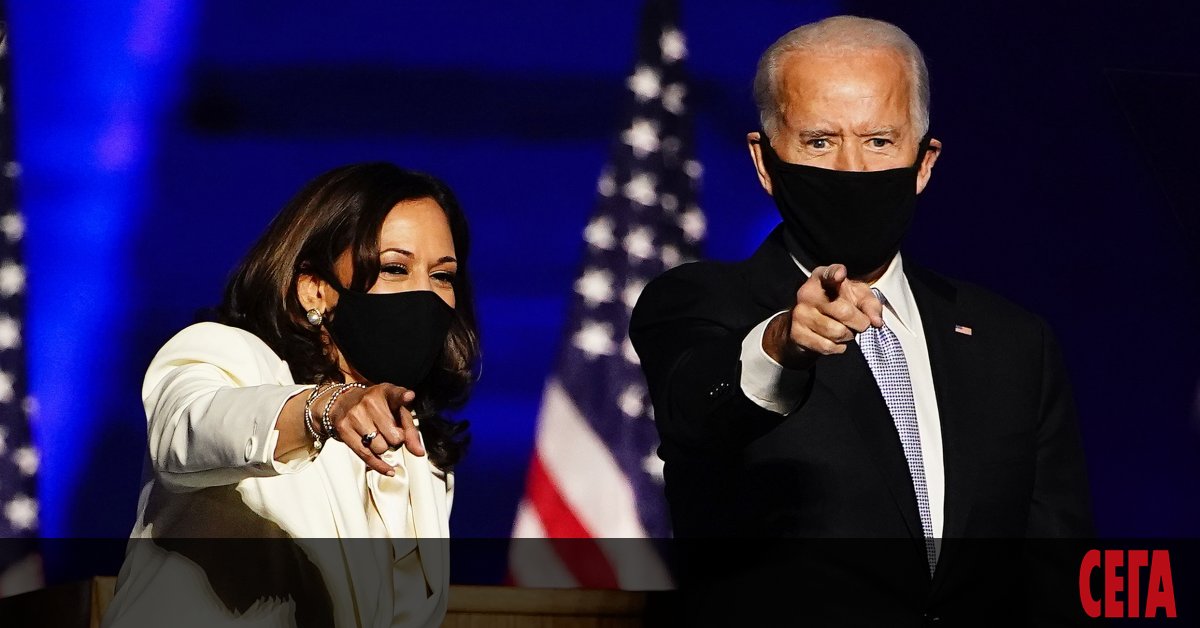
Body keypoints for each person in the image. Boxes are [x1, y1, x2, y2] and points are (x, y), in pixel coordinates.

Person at [629, 15, 1092, 624]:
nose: (850, 169)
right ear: (765, 161)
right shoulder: (697, 302)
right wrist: (783, 344)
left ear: (923, 162)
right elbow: (697, 408)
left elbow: (1057, 566)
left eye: (879, 141)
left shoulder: (1013, 342)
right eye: (820, 141)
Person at [103, 163, 479, 628]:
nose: (425, 293)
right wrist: (323, 409)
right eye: (395, 268)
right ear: (314, 289)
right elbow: (183, 433)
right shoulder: (227, 354)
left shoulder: (420, 451)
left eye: (442, 276)